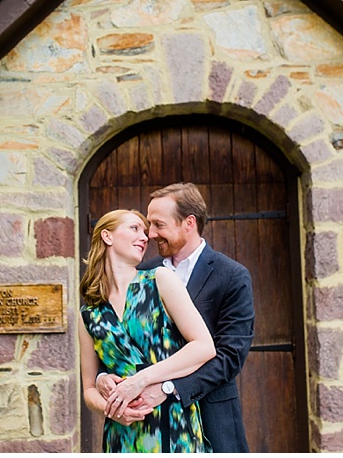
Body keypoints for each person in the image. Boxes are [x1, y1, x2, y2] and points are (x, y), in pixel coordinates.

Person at [97, 183, 255, 452]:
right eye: (149, 225)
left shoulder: (232, 276)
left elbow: (230, 356)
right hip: (147, 426)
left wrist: (171, 387)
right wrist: (103, 376)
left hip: (211, 417)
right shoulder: (141, 273)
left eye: (158, 224)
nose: (151, 233)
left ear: (188, 223)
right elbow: (120, 339)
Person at [79, 209, 216, 452]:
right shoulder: (89, 313)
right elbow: (89, 389)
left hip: (172, 423)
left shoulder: (159, 280)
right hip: (121, 435)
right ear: (107, 237)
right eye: (134, 228)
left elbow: (204, 346)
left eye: (145, 232)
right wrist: (111, 410)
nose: (145, 237)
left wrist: (139, 381)